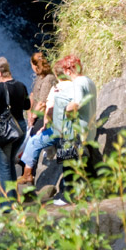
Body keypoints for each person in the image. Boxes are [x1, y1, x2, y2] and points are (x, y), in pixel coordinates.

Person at [17, 55, 97, 203]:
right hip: (88, 128)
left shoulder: (78, 83)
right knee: (85, 165)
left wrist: (65, 111)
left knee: (69, 165)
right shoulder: (88, 80)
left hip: (76, 131)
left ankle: (69, 198)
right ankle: (91, 195)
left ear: (68, 70)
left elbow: (77, 103)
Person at [0, 57, 29, 204]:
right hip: (20, 128)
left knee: (3, 168)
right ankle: (14, 199)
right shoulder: (21, 85)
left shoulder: (0, 88)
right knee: (10, 163)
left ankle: (8, 205)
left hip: (6, 130)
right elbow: (27, 106)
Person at [17, 52, 57, 184]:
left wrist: (33, 117)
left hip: (45, 115)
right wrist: (29, 113)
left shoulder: (49, 78)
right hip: (36, 115)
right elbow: (33, 95)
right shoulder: (40, 77)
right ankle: (26, 173)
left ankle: (30, 174)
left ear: (35, 65)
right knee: (26, 140)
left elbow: (43, 101)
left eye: (31, 65)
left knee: (33, 139)